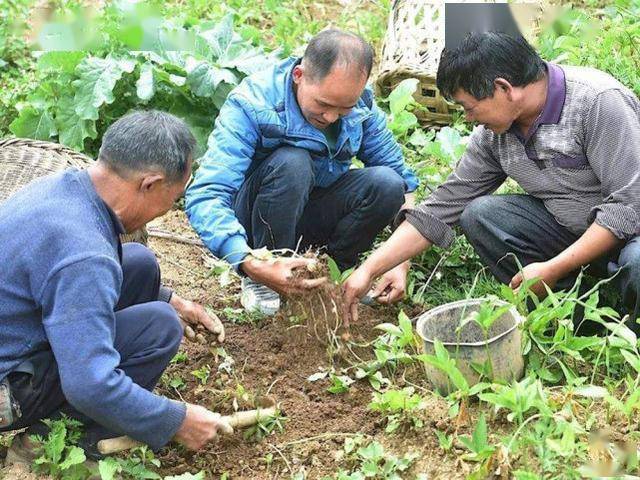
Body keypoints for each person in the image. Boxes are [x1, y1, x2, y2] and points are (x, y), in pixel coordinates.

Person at [343, 32, 640, 329]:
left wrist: (553, 266)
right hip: (573, 230)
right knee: (482, 216)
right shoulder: (494, 135)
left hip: (632, 233)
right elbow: (443, 207)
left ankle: (631, 329)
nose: (468, 118)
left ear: (503, 88)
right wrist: (371, 269)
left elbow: (626, 209)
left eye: (468, 107)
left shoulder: (598, 103)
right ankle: (580, 319)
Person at [0, 111, 233, 465]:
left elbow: (66, 280)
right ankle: (44, 444)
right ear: (150, 184)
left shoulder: (64, 189)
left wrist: (172, 300)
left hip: (15, 335)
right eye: (173, 198)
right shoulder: (84, 254)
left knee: (138, 263)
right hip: (8, 392)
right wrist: (175, 420)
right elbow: (89, 385)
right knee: (158, 327)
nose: (168, 210)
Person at [186, 29, 419, 316]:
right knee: (292, 162)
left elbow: (404, 183)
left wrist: (400, 257)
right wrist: (249, 261)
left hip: (312, 211)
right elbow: (207, 193)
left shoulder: (361, 107)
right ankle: (267, 278)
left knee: (388, 184)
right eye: (323, 104)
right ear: (299, 75)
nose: (331, 117)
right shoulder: (253, 104)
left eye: (343, 108)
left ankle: (330, 270)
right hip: (260, 220)